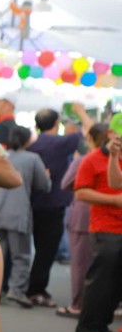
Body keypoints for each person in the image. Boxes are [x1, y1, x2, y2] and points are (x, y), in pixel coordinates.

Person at [25, 105, 96, 307]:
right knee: (47, 251)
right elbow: (93, 133)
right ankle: (36, 290)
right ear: (57, 124)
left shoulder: (32, 145)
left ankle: (33, 287)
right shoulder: (61, 142)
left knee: (39, 249)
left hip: (33, 203)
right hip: (54, 204)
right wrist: (81, 113)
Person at [0, 125, 51, 308]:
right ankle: (16, 290)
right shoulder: (32, 158)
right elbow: (44, 186)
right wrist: (47, 176)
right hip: (18, 212)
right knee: (21, 255)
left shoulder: (1, 156)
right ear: (27, 140)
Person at [72, 113, 122, 332]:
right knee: (101, 280)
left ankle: (102, 326)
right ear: (111, 134)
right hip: (105, 227)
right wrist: (113, 201)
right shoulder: (92, 159)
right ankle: (87, 328)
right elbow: (80, 192)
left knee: (116, 283)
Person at [58, 122, 109, 318]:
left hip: (83, 216)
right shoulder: (114, 161)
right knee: (102, 266)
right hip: (106, 218)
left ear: (90, 138)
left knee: (80, 264)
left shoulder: (84, 160)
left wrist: (83, 190)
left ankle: (78, 304)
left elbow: (65, 183)